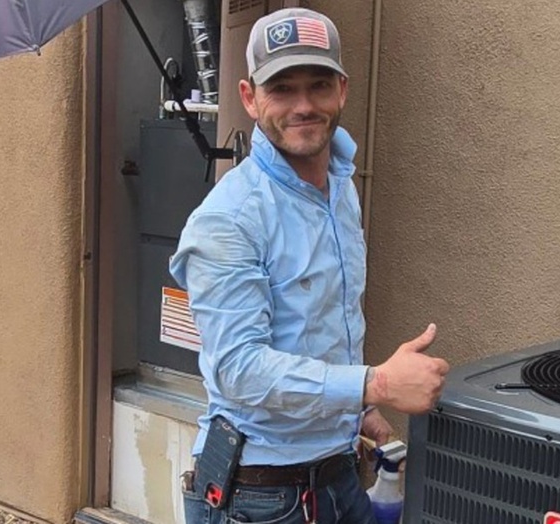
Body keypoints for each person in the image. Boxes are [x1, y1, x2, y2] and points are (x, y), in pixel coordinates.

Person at [170, 7, 450, 524]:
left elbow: (322, 323)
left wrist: (362, 409)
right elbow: (239, 370)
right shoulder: (228, 219)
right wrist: (375, 384)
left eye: (318, 85)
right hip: (259, 497)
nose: (303, 105)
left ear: (342, 90)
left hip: (337, 473)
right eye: (282, 89)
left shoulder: (339, 189)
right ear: (250, 98)